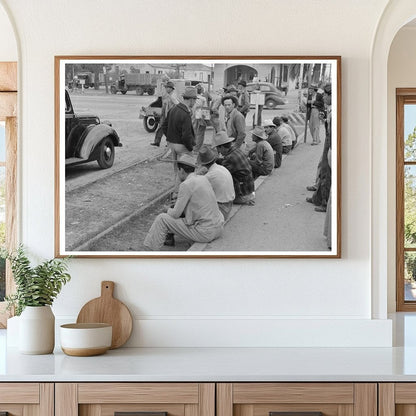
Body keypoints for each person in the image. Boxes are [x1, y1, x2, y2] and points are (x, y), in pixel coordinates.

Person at [143, 154, 224, 251]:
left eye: (178, 171)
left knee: (162, 219)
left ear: (181, 170)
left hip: (206, 232)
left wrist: (167, 209)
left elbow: (175, 214)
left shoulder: (185, 185)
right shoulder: (203, 178)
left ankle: (149, 251)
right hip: (218, 228)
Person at [162, 86, 196, 190]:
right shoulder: (185, 113)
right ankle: (180, 195)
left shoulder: (174, 108)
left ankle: (175, 193)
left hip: (172, 144)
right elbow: (186, 135)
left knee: (177, 171)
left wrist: (170, 137)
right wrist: (190, 148)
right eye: (194, 100)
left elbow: (164, 126)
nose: (194, 103)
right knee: (187, 172)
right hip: (182, 146)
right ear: (191, 100)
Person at [213, 131, 255, 206]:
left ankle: (240, 199)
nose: (218, 152)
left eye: (217, 149)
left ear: (222, 147)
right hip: (249, 190)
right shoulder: (236, 150)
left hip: (243, 194)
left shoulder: (229, 158)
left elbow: (221, 175)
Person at [197, 145, 235, 220]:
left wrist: (198, 173)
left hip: (221, 210)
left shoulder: (210, 175)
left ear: (202, 164)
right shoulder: (221, 168)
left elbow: (195, 185)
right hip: (228, 205)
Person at [151, 81, 179, 147]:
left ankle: (170, 143)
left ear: (171, 88)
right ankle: (157, 142)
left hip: (170, 116)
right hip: (165, 114)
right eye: (165, 87)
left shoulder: (173, 96)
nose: (166, 89)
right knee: (161, 128)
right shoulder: (168, 95)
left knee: (168, 130)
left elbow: (178, 105)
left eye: (167, 88)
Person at [192, 84, 208, 152]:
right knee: (201, 132)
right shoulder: (203, 99)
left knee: (193, 131)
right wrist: (206, 120)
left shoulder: (192, 98)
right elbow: (205, 109)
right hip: (201, 116)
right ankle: (197, 147)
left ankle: (192, 146)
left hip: (193, 116)